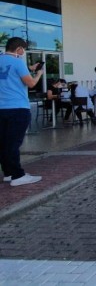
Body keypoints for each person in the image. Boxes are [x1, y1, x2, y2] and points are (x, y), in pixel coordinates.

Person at [0, 37, 44, 186]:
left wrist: (29, 69)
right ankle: (18, 176)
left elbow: (9, 76)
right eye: (23, 49)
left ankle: (8, 173)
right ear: (19, 49)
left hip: (1, 108)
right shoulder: (18, 62)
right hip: (18, 108)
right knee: (13, 143)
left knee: (3, 142)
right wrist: (38, 74)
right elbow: (30, 83)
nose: (23, 52)